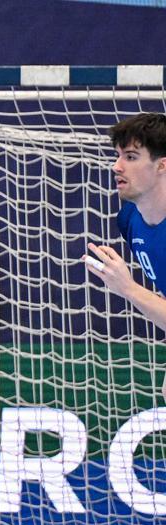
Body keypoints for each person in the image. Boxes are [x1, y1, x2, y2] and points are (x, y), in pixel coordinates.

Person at [85, 113, 166, 398]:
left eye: (131, 157)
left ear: (161, 166)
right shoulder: (130, 219)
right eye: (117, 156)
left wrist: (128, 288)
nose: (116, 166)